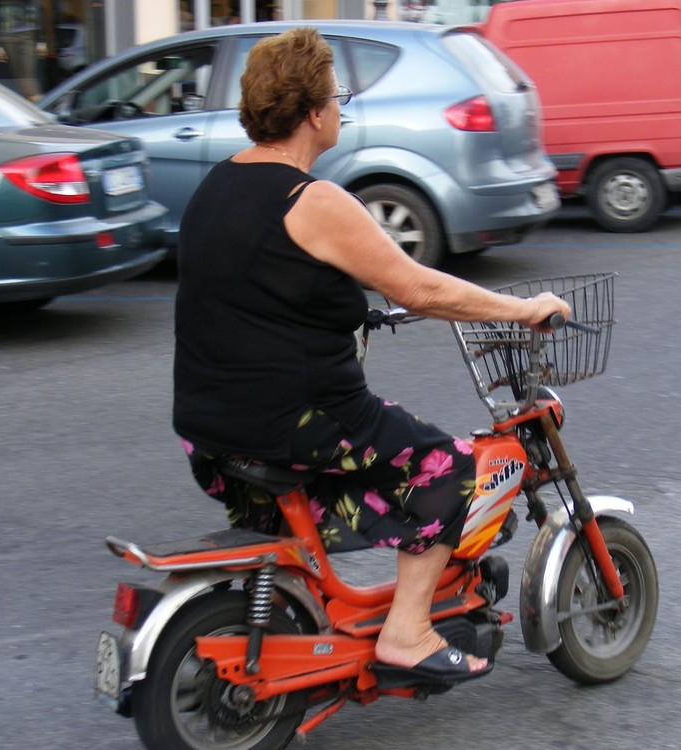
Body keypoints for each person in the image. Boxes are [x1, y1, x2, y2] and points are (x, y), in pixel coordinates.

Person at [173, 27, 570, 683]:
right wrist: (524, 309)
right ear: (311, 113)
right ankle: (408, 632)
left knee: (371, 462)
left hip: (208, 429)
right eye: (337, 96)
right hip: (299, 419)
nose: (341, 106)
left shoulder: (215, 187)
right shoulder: (314, 201)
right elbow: (419, 285)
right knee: (444, 467)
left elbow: (258, 290)